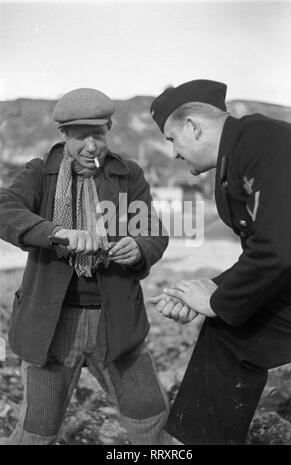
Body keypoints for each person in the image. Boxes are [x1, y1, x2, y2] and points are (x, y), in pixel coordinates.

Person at [0, 87, 172, 445]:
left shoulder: (128, 175)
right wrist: (56, 232)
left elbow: (154, 231)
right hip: (50, 323)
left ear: (109, 128)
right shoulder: (38, 173)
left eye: (98, 134)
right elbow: (5, 209)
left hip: (116, 322)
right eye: (79, 138)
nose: (91, 147)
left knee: (151, 419)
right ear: (63, 136)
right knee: (37, 431)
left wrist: (138, 247)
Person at [150, 79, 291, 445]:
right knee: (229, 335)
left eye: (172, 139)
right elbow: (264, 251)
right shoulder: (239, 151)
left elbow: (281, 247)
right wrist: (205, 291)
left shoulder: (268, 141)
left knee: (231, 324)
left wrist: (216, 300)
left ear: (193, 127)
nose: (173, 153)